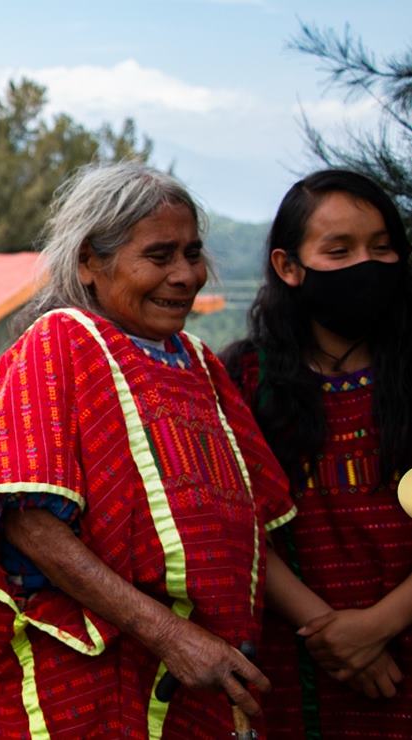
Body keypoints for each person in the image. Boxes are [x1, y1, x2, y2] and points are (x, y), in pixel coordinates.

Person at [0, 162, 296, 738]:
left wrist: (333, 630)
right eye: (159, 256)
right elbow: (29, 523)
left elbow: (255, 528)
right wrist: (171, 636)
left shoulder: (200, 365)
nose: (185, 275)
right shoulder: (63, 343)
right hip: (91, 685)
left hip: (195, 682)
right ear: (89, 262)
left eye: (193, 253)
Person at [223, 169, 412, 738]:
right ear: (288, 266)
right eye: (340, 250)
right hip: (300, 664)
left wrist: (378, 625)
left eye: (382, 248)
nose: (367, 264)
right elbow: (242, 524)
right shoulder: (243, 381)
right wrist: (331, 633)